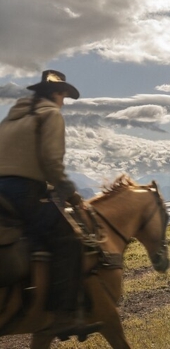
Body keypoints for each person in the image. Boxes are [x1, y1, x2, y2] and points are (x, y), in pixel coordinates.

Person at [0, 70, 100, 338]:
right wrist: (74, 197)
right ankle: (63, 316)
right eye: (63, 95)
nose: (64, 101)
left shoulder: (11, 118)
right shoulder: (51, 115)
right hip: (24, 192)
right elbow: (51, 164)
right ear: (56, 93)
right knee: (70, 239)